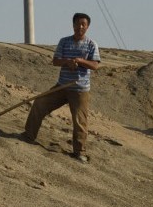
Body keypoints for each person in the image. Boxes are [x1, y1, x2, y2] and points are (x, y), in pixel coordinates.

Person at [22, 12, 102, 163]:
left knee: (79, 121)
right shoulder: (64, 42)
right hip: (62, 86)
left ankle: (80, 152)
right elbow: (56, 61)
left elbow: (95, 65)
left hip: (80, 89)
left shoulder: (92, 44)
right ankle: (28, 135)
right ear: (73, 25)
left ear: (87, 27)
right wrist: (67, 62)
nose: (80, 27)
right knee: (40, 103)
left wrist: (79, 61)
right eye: (77, 24)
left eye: (83, 24)